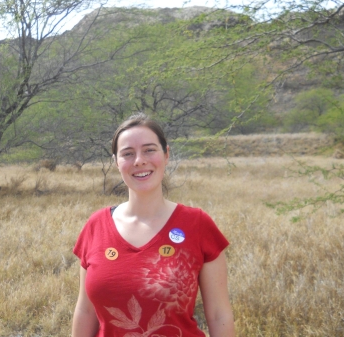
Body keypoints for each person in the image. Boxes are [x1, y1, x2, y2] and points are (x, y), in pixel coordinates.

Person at [72, 113, 235, 337]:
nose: (139, 160)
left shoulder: (197, 224)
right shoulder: (96, 226)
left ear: (166, 155)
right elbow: (85, 311)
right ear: (116, 162)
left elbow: (218, 314)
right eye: (128, 153)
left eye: (149, 150)